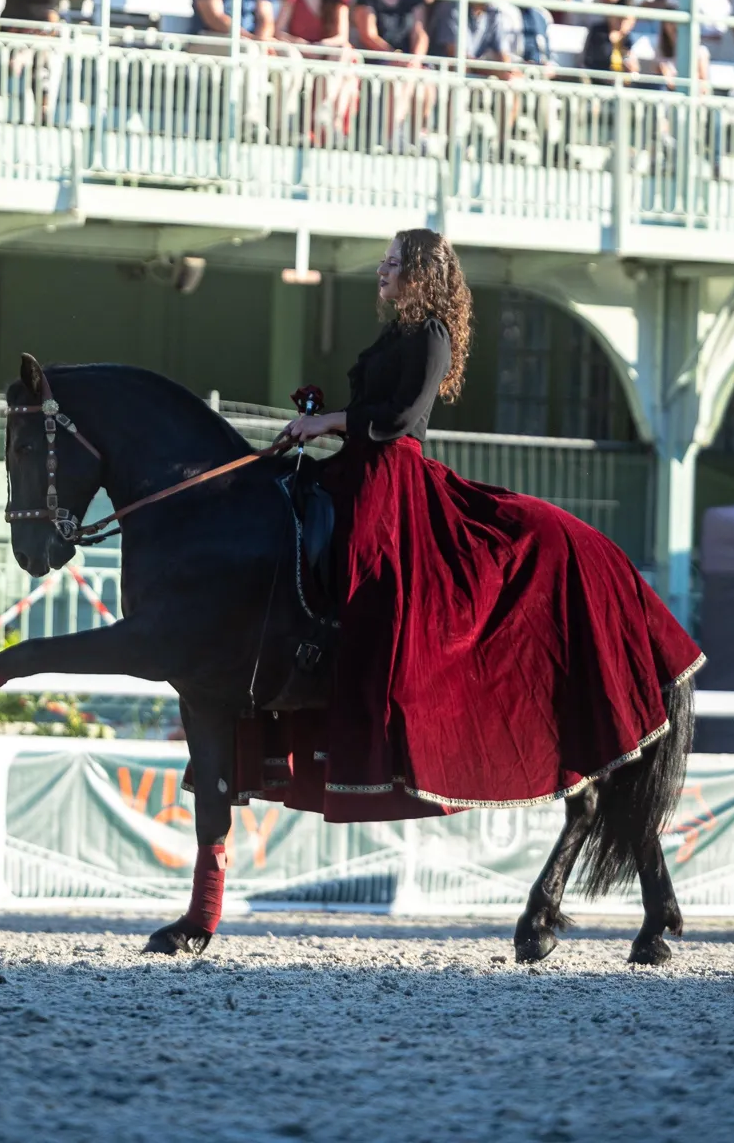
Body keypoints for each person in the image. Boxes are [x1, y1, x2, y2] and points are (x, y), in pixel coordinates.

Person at [267, 229, 702, 822]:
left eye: (394, 264)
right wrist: (318, 419)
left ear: (419, 274)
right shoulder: (396, 331)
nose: (382, 271)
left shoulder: (432, 335)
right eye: (384, 262)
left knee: (373, 581)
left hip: (393, 478)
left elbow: (399, 417)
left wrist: (333, 423)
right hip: (357, 467)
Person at [427, 0, 515, 66]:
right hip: (441, 73)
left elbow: (502, 54)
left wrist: (508, 72)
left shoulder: (494, 13)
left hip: (469, 74)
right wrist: (492, 71)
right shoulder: (452, 8)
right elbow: (455, 56)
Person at [509, 0, 555, 70]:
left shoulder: (543, 14)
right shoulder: (501, 9)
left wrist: (548, 65)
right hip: (511, 71)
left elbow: (548, 53)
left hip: (539, 71)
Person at [582, 4, 644, 77]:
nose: (622, 22)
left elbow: (633, 67)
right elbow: (591, 61)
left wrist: (632, 67)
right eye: (619, 18)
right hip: (600, 79)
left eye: (626, 19)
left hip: (621, 81)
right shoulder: (599, 32)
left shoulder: (629, 40)